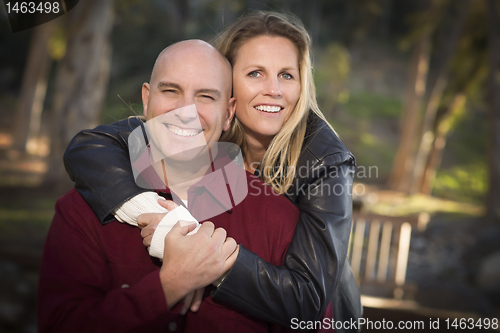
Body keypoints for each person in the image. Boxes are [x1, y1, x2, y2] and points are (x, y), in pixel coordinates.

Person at [63, 11, 362, 332]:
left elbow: (307, 299)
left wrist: (201, 259)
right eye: (256, 73)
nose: (274, 89)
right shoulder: (196, 121)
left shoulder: (325, 161)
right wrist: (159, 219)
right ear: (227, 83)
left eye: (287, 75)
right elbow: (91, 147)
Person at [38, 40, 301, 333]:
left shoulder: (277, 218)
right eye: (171, 91)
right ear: (147, 99)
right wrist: (171, 285)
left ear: (228, 113)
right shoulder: (82, 211)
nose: (185, 111)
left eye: (205, 96)